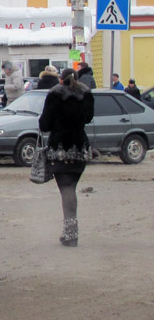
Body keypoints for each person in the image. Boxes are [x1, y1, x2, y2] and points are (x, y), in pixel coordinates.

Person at [38, 68, 95, 247]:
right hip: (80, 147)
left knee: (66, 189)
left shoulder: (55, 95)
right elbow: (88, 118)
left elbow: (45, 124)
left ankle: (71, 234)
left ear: (61, 80)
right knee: (71, 187)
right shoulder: (85, 94)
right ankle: (69, 232)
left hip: (60, 148)